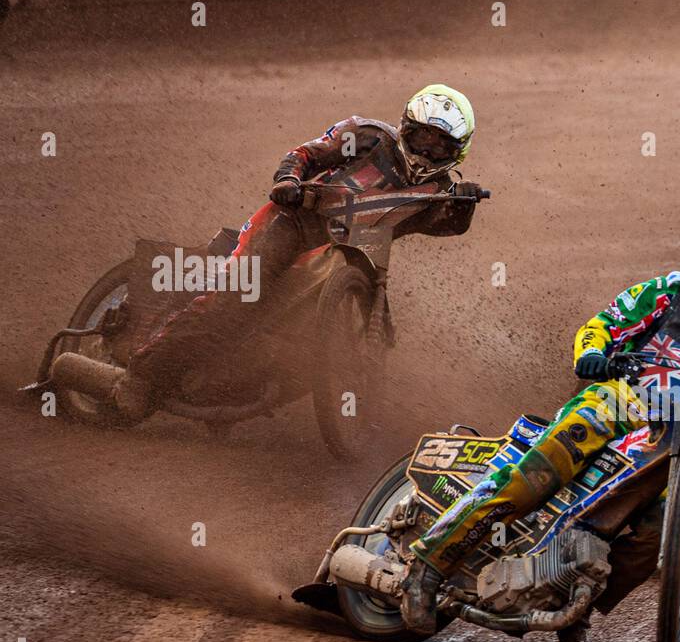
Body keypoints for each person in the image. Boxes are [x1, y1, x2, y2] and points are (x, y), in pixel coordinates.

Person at [402, 220, 680, 642]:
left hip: (678, 438)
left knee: (658, 532)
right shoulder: (672, 294)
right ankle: (428, 565)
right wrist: (592, 355)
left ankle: (581, 606)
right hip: (621, 401)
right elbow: (604, 324)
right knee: (538, 474)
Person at [113, 84, 481, 416]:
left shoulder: (441, 194)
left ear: (457, 153)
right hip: (293, 224)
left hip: (356, 253)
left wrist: (464, 205)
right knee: (233, 301)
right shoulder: (368, 136)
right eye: (423, 138)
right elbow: (306, 153)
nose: (428, 151)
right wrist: (287, 180)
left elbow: (448, 224)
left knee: (383, 331)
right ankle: (140, 375)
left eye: (440, 145)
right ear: (405, 128)